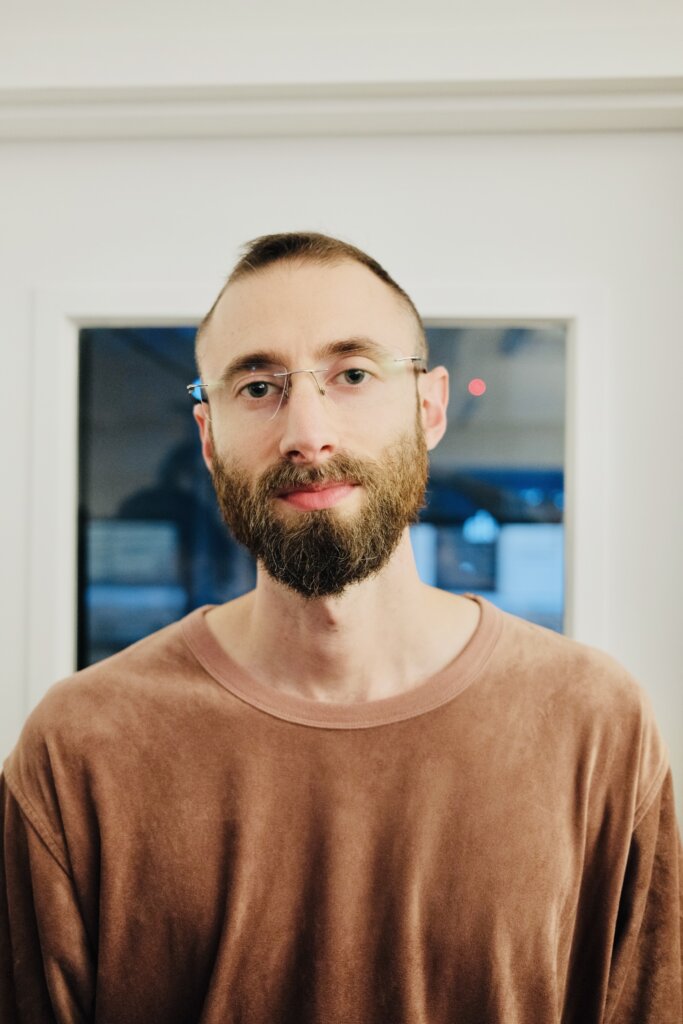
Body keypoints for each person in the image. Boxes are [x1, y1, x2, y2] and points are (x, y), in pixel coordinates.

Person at [1, 232, 681, 1023]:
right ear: (207, 437)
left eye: (352, 374)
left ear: (428, 408)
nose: (307, 433)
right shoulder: (80, 747)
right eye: (257, 387)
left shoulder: (594, 724)